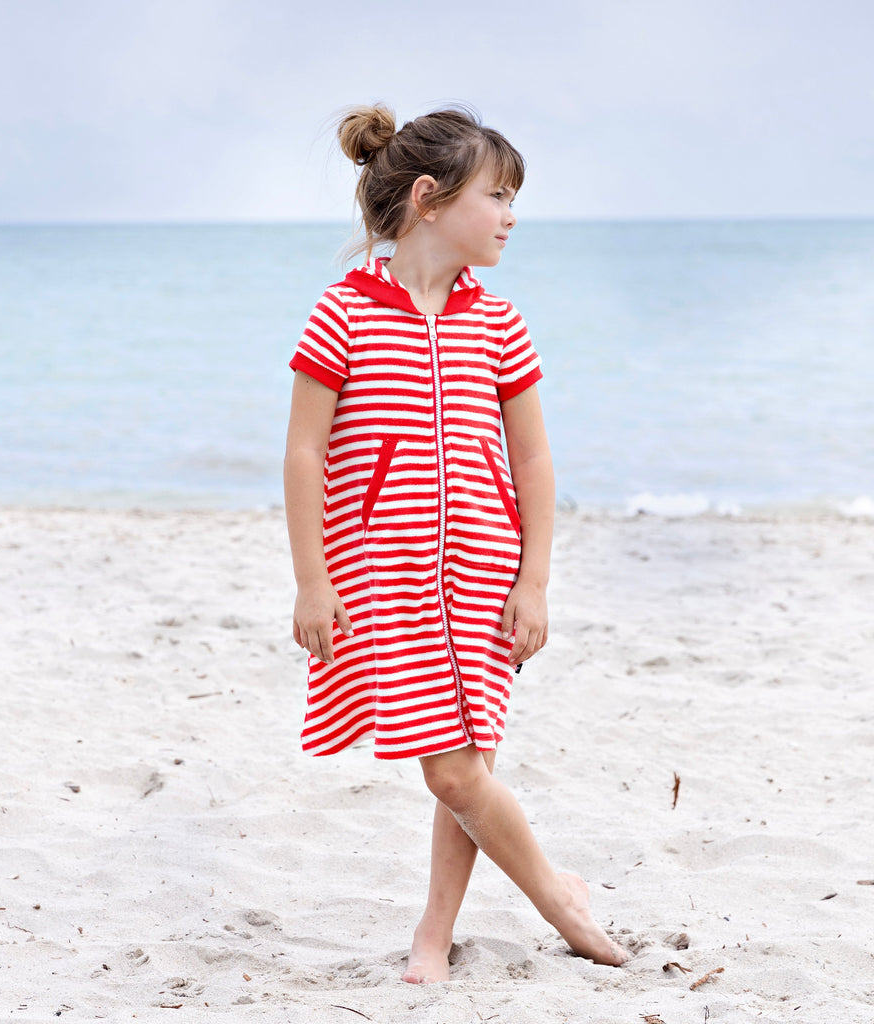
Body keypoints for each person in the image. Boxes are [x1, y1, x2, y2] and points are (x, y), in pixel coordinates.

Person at [283, 104, 629, 983]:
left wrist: (536, 581)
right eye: (499, 195)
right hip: (382, 579)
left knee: (461, 767)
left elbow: (536, 458)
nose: (512, 215)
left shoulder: (497, 321)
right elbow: (304, 452)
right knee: (455, 771)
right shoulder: (345, 315)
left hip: (486, 573)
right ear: (432, 199)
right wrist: (311, 582)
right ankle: (555, 892)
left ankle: (451, 929)